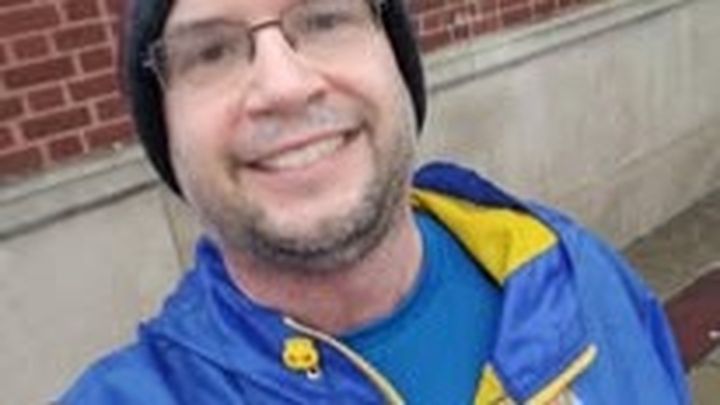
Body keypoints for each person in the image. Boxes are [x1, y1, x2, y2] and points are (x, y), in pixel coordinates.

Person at [61, 0, 690, 403]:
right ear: (166, 131)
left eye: (324, 18)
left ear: (395, 55)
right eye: (211, 51)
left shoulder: (577, 273)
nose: (284, 86)